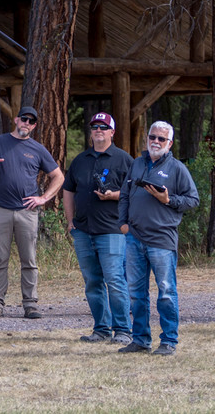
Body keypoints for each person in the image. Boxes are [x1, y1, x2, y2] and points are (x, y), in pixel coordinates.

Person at [0, 105, 65, 319]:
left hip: (27, 212)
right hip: (0, 210)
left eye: (31, 121)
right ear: (15, 120)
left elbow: (59, 176)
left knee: (29, 259)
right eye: (24, 119)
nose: (26, 124)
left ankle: (30, 304)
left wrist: (43, 198)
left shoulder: (38, 149)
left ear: (34, 125)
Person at [117, 120, 199, 356]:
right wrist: (123, 223)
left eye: (161, 139)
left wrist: (168, 200)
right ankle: (140, 339)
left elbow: (193, 200)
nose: (155, 142)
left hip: (162, 240)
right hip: (134, 238)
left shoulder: (177, 168)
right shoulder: (137, 164)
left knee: (165, 291)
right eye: (152, 137)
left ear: (169, 143)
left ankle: (169, 341)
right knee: (136, 293)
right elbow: (124, 195)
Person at [63, 112, 134, 344]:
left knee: (114, 280)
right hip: (83, 231)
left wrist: (114, 195)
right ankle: (101, 329)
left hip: (112, 230)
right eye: (94, 126)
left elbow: (136, 192)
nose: (98, 130)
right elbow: (68, 189)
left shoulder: (124, 160)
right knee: (92, 281)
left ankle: (123, 330)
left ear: (112, 132)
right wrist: (70, 220)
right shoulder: (80, 160)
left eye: (104, 127)